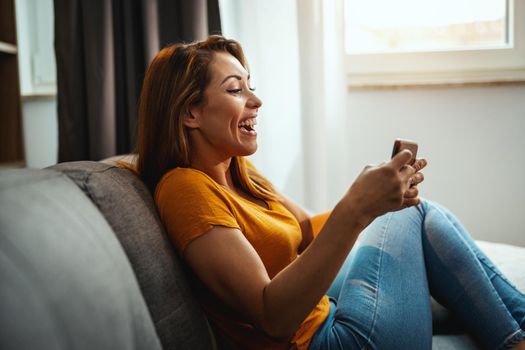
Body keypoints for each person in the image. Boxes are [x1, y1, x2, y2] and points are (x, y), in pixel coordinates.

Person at [134, 35, 525, 350]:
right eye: (236, 90)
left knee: (414, 213)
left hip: (325, 314)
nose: (256, 101)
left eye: (251, 87)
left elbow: (305, 228)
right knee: (413, 216)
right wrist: (357, 209)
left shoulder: (238, 169)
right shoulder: (184, 188)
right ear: (190, 113)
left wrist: (374, 203)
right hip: (324, 341)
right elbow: (273, 318)